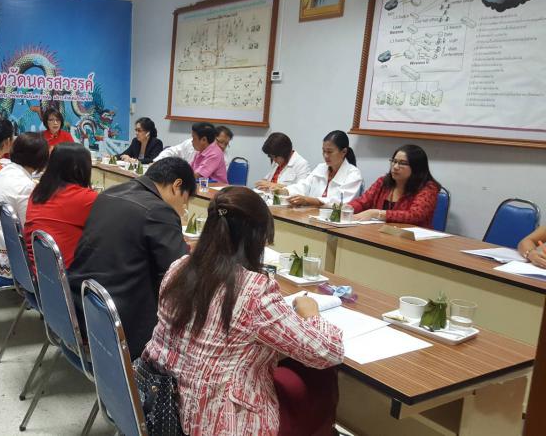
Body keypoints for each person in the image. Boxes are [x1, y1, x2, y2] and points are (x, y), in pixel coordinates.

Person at [142, 187, 343, 435]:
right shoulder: (254, 291)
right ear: (255, 239)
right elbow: (328, 351)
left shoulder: (178, 268)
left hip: (163, 407)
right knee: (319, 375)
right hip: (219, 424)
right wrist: (311, 314)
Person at [68, 157, 196, 358]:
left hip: (81, 303)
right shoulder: (159, 210)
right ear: (176, 185)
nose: (182, 208)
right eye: (185, 200)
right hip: (120, 323)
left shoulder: (109, 193)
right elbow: (178, 275)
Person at [0, 132, 49, 278]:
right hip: (0, 259)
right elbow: (28, 228)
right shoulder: (25, 186)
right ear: (42, 159)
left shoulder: (5, 170)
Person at [24, 143, 98, 269]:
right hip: (64, 273)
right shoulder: (86, 198)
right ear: (78, 168)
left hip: (35, 268)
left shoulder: (39, 191)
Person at [350, 145, 440, 227]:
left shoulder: (428, 188)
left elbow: (415, 215)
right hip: (380, 233)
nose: (395, 167)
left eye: (402, 163)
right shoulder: (382, 182)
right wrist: (347, 208)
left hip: (411, 237)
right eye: (394, 161)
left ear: (416, 167)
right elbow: (362, 202)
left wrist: (376, 213)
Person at [278, 130, 362, 207]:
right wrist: (284, 191)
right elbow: (304, 185)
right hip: (310, 214)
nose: (325, 156)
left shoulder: (354, 174)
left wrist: (309, 200)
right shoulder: (321, 167)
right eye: (323, 151)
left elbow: (340, 202)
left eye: (329, 152)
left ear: (344, 152)